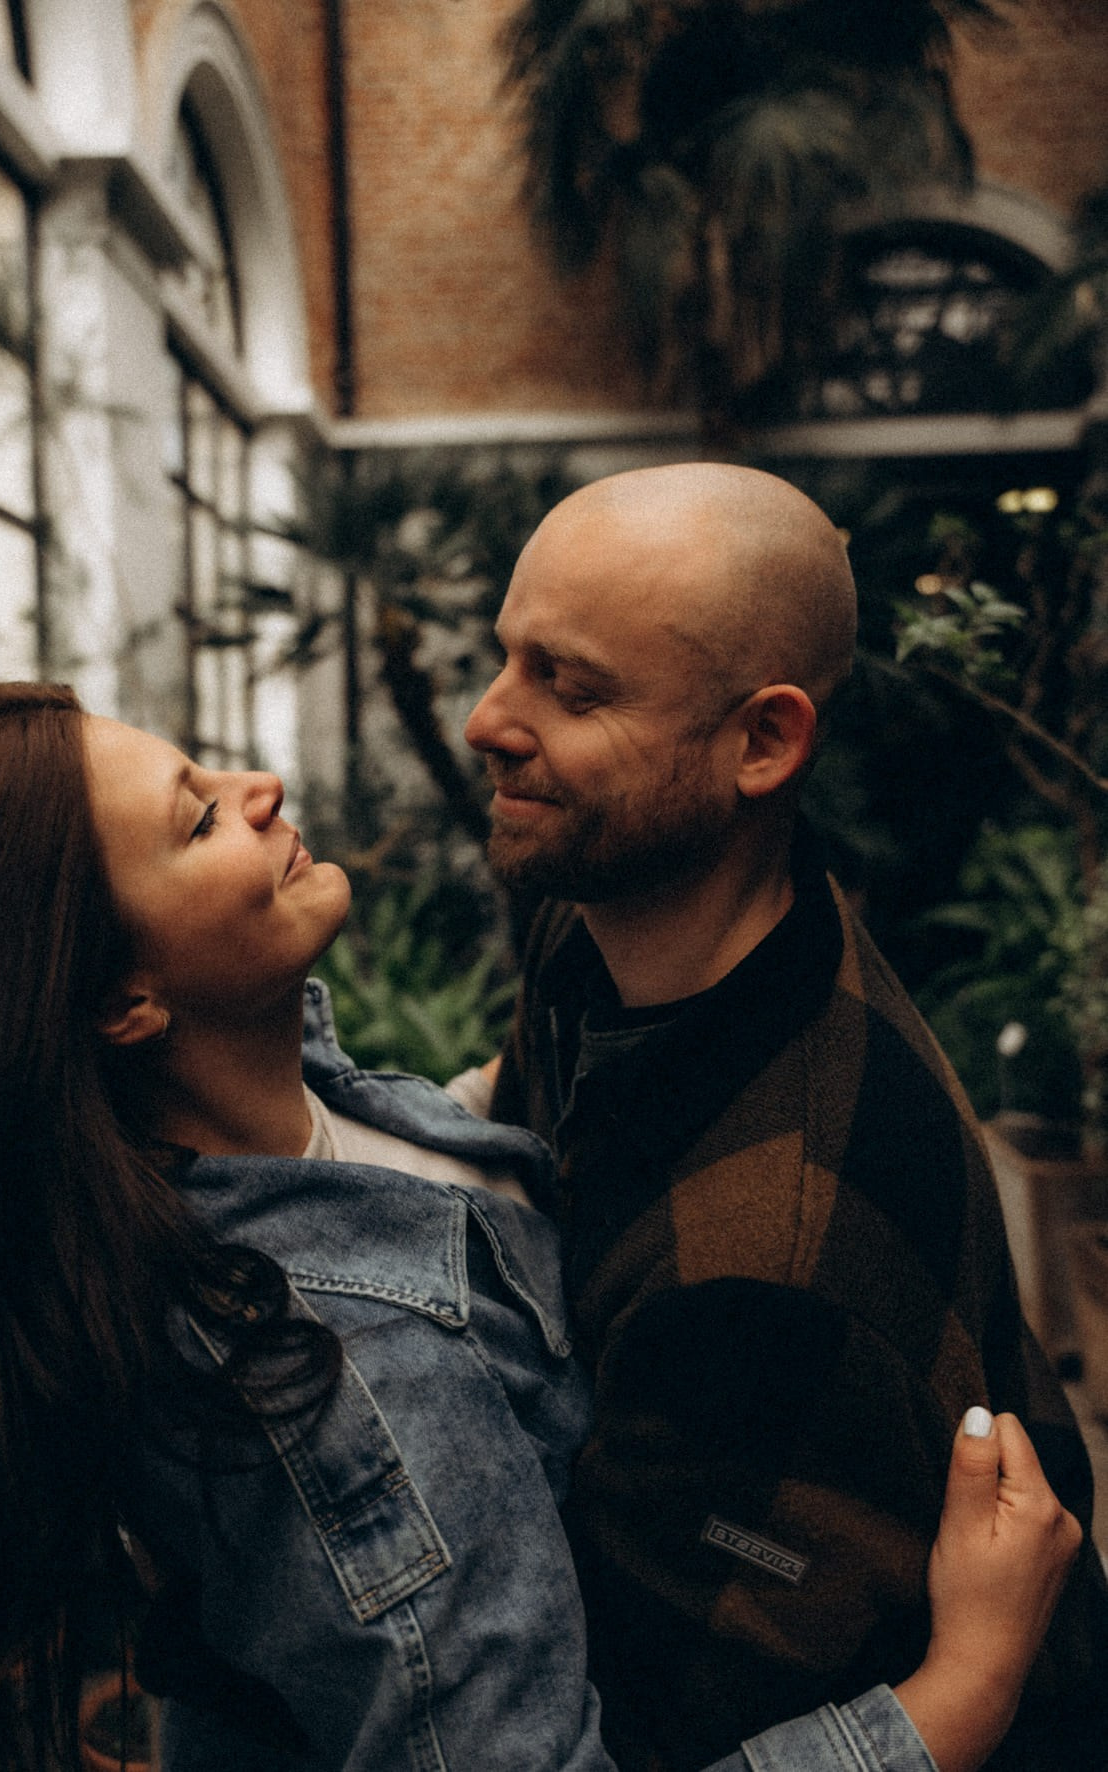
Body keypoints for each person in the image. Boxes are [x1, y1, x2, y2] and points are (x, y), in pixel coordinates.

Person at [0, 682, 1080, 1772]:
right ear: (125, 1004)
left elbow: (433, 1166)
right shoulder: (353, 1393)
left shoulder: (272, 1103)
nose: (260, 783)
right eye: (197, 819)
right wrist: (958, 1692)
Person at [464, 463, 1108, 1772]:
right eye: (507, 658)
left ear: (764, 743)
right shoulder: (612, 922)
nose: (487, 719)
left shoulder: (770, 1261)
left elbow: (656, 1740)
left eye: (571, 688)